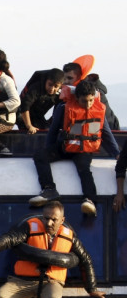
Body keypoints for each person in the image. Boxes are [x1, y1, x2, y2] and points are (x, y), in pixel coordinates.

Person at [29, 80, 119, 216]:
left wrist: (117, 154)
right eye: (84, 101)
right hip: (65, 147)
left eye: (90, 100)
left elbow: (106, 133)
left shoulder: (98, 110)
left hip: (84, 149)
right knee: (40, 155)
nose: (88, 105)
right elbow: (52, 132)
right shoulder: (64, 108)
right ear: (77, 98)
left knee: (84, 169)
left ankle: (90, 200)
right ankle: (49, 190)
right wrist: (49, 149)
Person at [16, 68, 64, 133]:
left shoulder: (60, 92)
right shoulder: (36, 87)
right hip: (22, 113)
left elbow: (57, 111)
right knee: (29, 130)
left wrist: (51, 123)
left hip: (38, 115)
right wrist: (29, 126)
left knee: (47, 129)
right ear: (46, 81)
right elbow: (25, 106)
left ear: (60, 86)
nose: (52, 89)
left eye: (56, 86)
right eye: (50, 84)